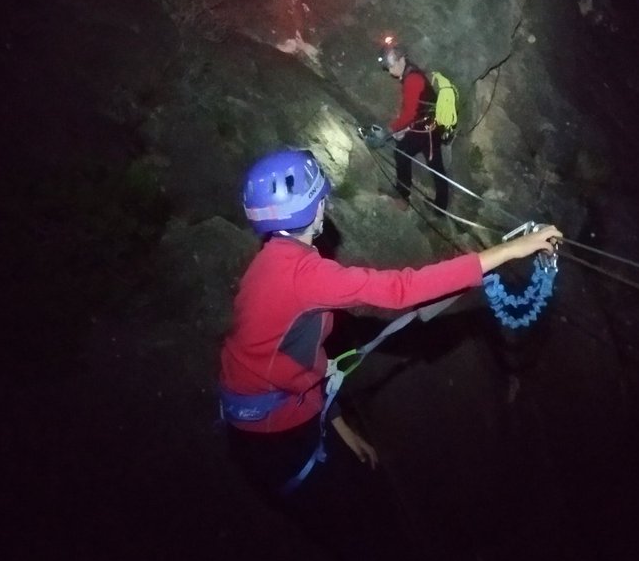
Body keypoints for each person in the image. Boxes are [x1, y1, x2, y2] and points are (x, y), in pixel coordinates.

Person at [220, 148, 562, 506]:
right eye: (321, 197)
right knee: (354, 517)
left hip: (261, 414)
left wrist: (339, 427)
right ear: (311, 207)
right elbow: (401, 289)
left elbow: (293, 360)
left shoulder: (270, 260)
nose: (325, 203)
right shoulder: (307, 277)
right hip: (276, 432)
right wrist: (508, 251)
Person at [378, 43, 448, 214]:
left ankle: (430, 205)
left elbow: (410, 113)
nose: (390, 71)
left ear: (401, 59)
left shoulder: (412, 79)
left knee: (432, 163)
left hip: (429, 128)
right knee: (405, 152)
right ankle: (407, 196)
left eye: (391, 66)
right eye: (387, 67)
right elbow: (413, 108)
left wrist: (390, 129)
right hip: (425, 124)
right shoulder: (409, 73)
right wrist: (403, 128)